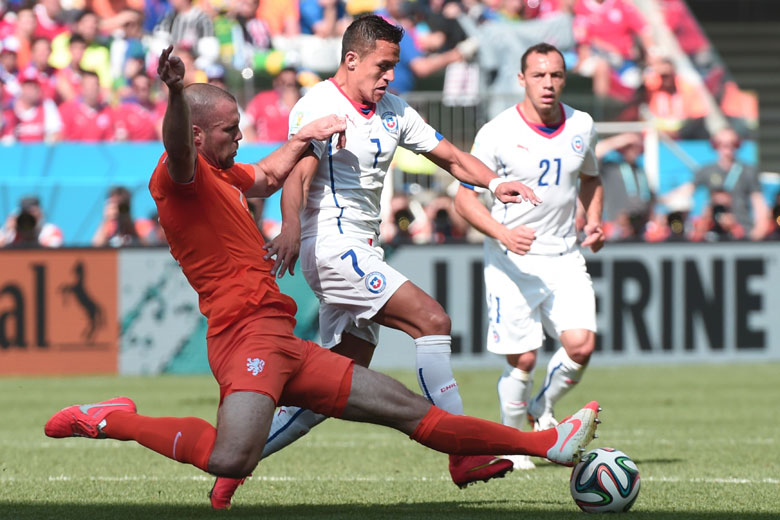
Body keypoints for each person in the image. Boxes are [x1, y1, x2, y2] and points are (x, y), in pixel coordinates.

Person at [44, 45, 600, 510]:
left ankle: (546, 443)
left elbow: (267, 174)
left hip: (283, 339)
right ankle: (113, 420)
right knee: (231, 454)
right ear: (196, 135)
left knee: (412, 412)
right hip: (243, 337)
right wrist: (172, 93)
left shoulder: (222, 172)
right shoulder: (179, 177)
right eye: (230, 130)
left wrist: (303, 137)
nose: (240, 137)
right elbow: (176, 145)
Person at [210, 14, 546, 505]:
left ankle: (232, 466)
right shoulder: (319, 105)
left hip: (362, 248)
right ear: (351, 60)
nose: (390, 76)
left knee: (330, 386)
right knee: (432, 320)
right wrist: (290, 227)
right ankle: (463, 452)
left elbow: (451, 158)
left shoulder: (394, 110)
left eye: (394, 66)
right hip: (332, 245)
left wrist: (496, 183)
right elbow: (298, 173)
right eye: (382, 66)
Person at [454, 43, 604, 471]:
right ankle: (513, 443)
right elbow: (463, 200)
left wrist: (594, 220)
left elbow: (591, 178)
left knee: (581, 345)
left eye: (555, 75)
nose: (548, 83)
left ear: (564, 79)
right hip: (511, 259)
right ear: (521, 79)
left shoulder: (582, 124)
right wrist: (503, 233)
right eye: (539, 75)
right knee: (522, 358)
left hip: (565, 253)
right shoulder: (497, 132)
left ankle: (542, 405)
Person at [662, 127, 771, 241]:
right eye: (722, 144)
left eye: (732, 144)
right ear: (715, 145)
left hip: (741, 229)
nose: (727, 148)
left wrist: (758, 231)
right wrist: (663, 201)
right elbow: (686, 190)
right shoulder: (707, 170)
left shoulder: (748, 171)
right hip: (713, 231)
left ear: (738, 145)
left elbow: (758, 202)